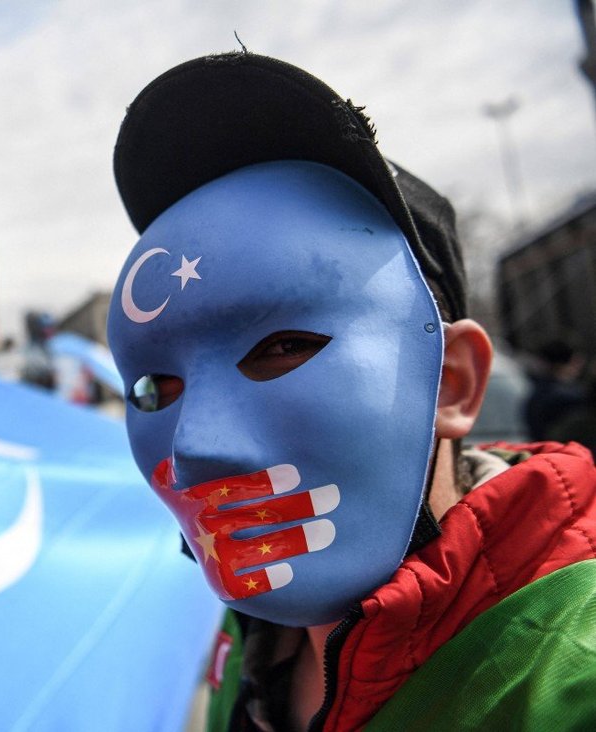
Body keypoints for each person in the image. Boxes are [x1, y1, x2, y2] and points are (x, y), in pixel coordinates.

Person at [104, 52, 596, 731]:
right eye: (153, 390)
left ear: (452, 382)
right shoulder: (250, 643)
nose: (195, 447)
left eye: (284, 347)